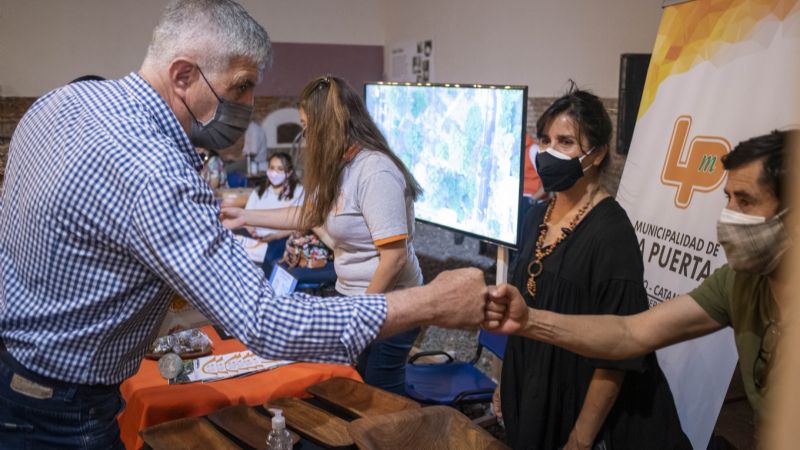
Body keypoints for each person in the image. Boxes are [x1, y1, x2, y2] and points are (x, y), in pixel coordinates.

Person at [0, 1, 489, 448]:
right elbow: (265, 321)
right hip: (59, 406)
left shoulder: (59, 104)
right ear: (184, 75)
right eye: (239, 87)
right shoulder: (155, 170)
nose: (247, 105)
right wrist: (433, 302)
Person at [485, 129, 796, 438]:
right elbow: (631, 333)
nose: (728, 216)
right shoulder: (739, 282)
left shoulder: (609, 229)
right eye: (728, 198)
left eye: (745, 201)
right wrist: (528, 321)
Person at [491, 87, 690, 450]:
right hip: (532, 383)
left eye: (566, 142)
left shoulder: (612, 234)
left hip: (579, 398)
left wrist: (581, 438)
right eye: (547, 139)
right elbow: (521, 313)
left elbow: (619, 352)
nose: (550, 151)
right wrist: (507, 381)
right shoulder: (536, 216)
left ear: (596, 154)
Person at [221, 75, 425, 396]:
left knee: (379, 396)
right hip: (354, 299)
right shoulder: (339, 166)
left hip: (391, 304)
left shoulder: (375, 171)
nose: (305, 136)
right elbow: (307, 215)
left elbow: (394, 257)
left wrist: (362, 319)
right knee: (350, 390)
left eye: (307, 125)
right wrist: (244, 215)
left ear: (330, 124)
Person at [244, 151, 304, 242]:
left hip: (283, 240)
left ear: (290, 172)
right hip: (256, 239)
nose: (274, 173)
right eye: (272, 168)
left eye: (280, 169)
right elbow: (246, 216)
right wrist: (252, 231)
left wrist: (276, 236)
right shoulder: (259, 191)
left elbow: (302, 223)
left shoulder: (299, 192)